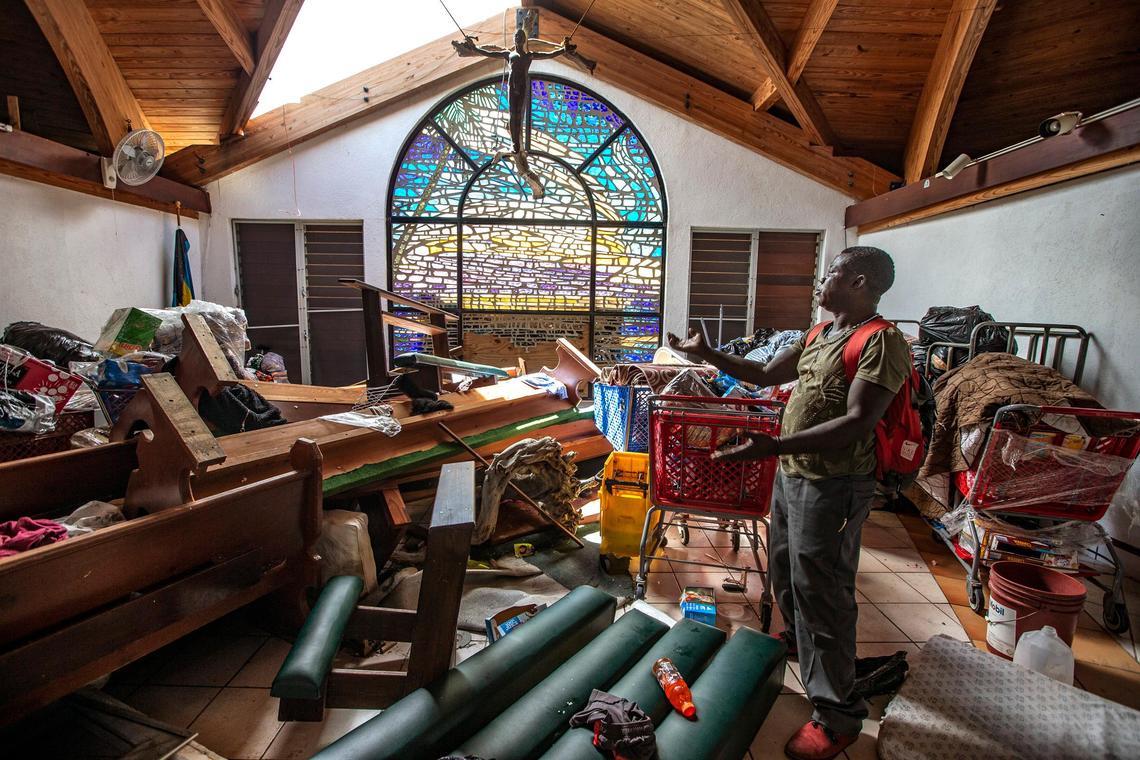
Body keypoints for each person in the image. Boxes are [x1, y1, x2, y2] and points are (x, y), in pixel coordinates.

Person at [666, 246, 911, 760]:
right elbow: (762, 375)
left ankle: (837, 716)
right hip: (795, 474)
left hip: (835, 484)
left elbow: (858, 422)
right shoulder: (821, 334)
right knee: (785, 570)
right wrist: (707, 353)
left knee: (823, 591)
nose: (821, 280)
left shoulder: (880, 341)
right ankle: (799, 642)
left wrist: (773, 446)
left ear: (860, 282)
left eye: (832, 272)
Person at [453, 25, 596, 198]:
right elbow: (489, 53)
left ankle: (517, 148)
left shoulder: (529, 56)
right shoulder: (508, 54)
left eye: (520, 36)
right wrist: (474, 48)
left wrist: (563, 49)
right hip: (511, 88)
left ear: (524, 40)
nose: (518, 39)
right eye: (516, 36)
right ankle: (515, 145)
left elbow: (550, 54)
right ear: (514, 39)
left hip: (521, 88)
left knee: (517, 116)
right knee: (513, 116)